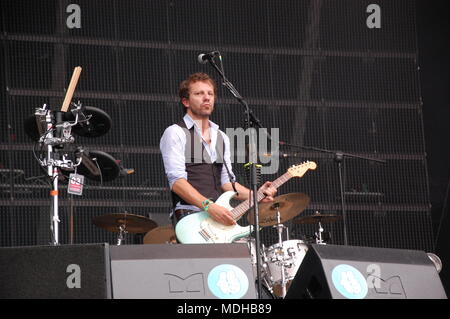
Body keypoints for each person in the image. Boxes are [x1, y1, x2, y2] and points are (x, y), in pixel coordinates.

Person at [160, 72, 277, 235]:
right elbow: (177, 182)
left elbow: (227, 183)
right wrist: (210, 206)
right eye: (199, 93)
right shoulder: (175, 132)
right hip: (190, 218)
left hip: (216, 219)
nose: (206, 98)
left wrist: (256, 195)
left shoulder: (221, 137)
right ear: (185, 101)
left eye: (210, 93)